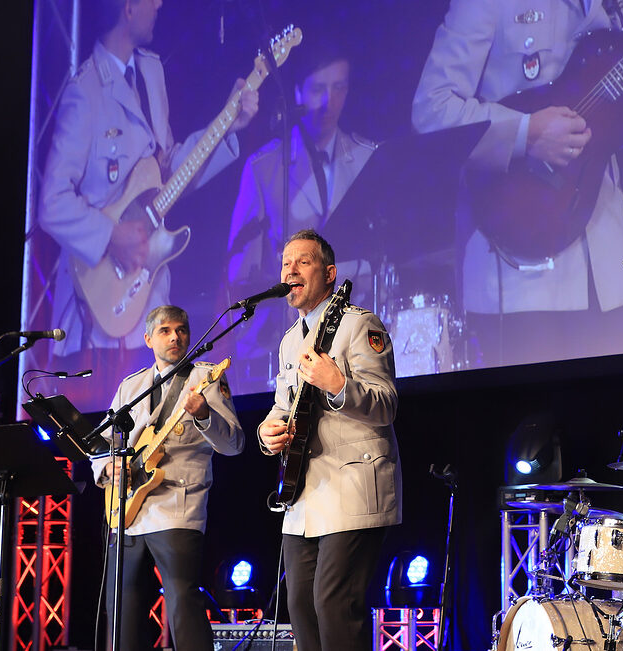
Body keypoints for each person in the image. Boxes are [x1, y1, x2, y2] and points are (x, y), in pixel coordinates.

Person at [411, 0, 623, 366]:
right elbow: (432, 109)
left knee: (609, 412)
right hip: (517, 263)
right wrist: (525, 134)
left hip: (603, 254)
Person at [38, 0, 259, 375]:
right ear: (127, 7)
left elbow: (168, 173)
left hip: (150, 301)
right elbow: (52, 204)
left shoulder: (151, 72)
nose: (159, 4)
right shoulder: (86, 91)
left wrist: (226, 125)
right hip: (99, 315)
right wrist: (111, 235)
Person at [257, 229, 400, 651]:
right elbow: (282, 407)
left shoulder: (360, 325)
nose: (290, 270)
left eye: (302, 262)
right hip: (303, 494)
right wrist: (268, 433)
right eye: (285, 263)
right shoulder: (288, 342)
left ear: (329, 273)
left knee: (333, 603)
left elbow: (387, 403)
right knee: (299, 603)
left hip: (353, 487)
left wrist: (338, 385)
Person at [91, 305, 245, 651]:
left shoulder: (205, 377)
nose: (176, 337)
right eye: (165, 331)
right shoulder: (131, 387)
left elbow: (234, 444)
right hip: (128, 510)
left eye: (182, 330)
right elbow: (102, 444)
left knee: (182, 602)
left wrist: (204, 414)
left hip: (178, 505)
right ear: (148, 339)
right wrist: (107, 467)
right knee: (123, 610)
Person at [225, 43, 378, 387]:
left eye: (339, 87)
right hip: (288, 341)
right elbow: (239, 271)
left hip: (354, 336)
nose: (329, 101)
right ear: (297, 92)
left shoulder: (368, 156)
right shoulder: (263, 168)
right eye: (318, 89)